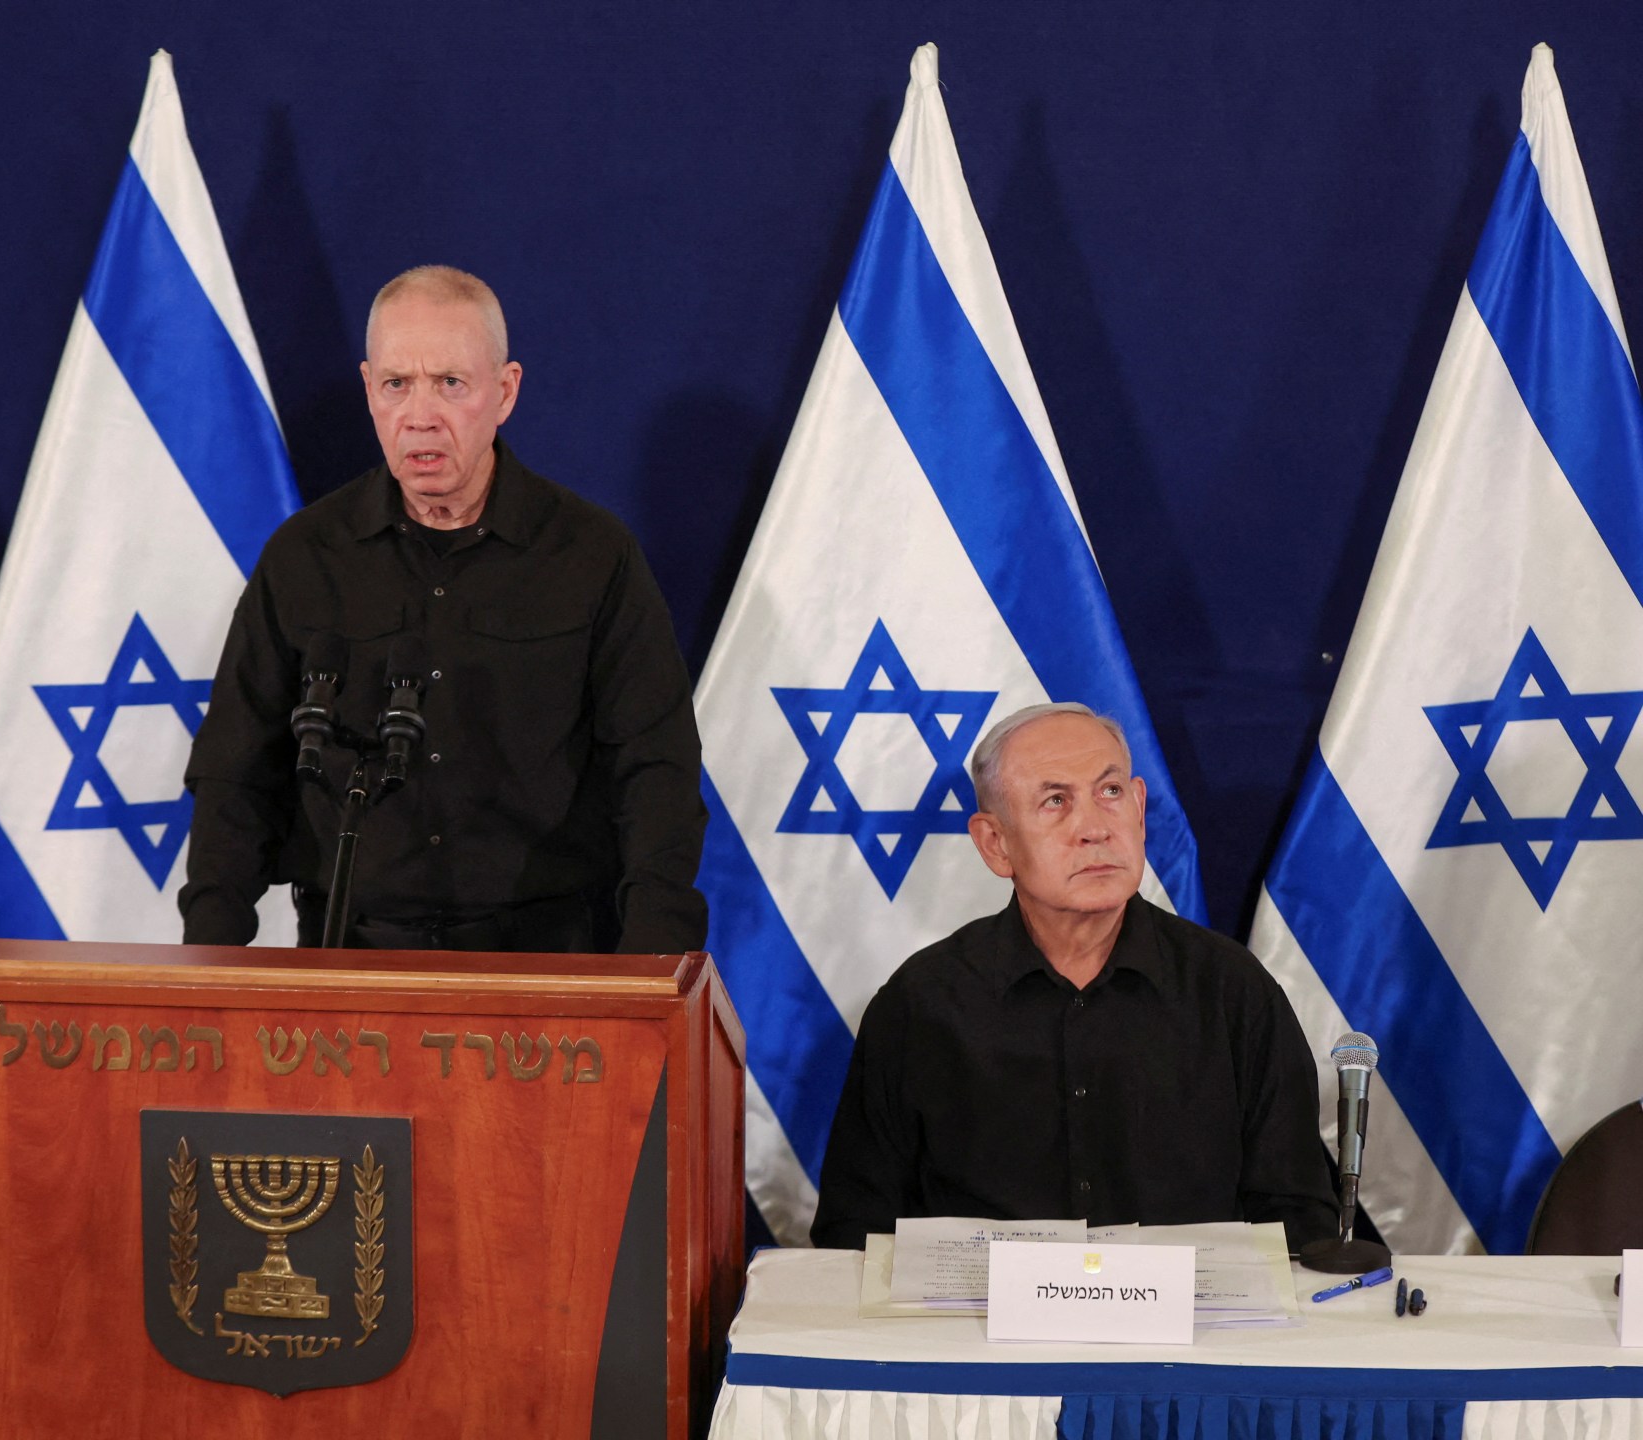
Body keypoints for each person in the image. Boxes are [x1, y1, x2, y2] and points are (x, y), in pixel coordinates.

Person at [179, 266, 707, 955]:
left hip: (547, 958)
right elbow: (235, 771)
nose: (420, 414)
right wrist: (209, 961)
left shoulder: (590, 555)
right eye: (397, 384)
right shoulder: (306, 557)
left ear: (505, 391)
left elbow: (657, 771)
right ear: (369, 389)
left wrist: (652, 965)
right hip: (350, 957)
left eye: (450, 383)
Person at [810, 702, 1335, 1249]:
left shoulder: (1231, 991)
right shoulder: (922, 1003)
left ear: (1138, 809)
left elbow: (1297, 1218)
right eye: (1056, 801)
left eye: (1110, 792)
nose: (1094, 829)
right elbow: (855, 1233)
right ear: (995, 844)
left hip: (1193, 1306)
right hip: (972, 1306)